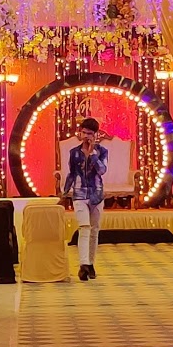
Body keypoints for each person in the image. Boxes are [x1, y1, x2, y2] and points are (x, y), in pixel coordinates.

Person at [64, 117, 109, 281]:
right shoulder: (74, 153)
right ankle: (83, 265)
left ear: (95, 135)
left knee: (94, 230)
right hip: (79, 195)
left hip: (96, 195)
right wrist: (64, 193)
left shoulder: (102, 151)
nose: (86, 136)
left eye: (89, 134)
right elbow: (71, 174)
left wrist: (93, 155)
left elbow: (102, 170)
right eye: (84, 133)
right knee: (84, 227)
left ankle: (90, 263)